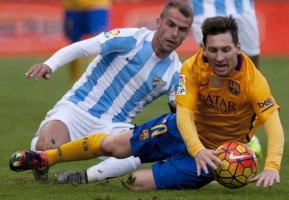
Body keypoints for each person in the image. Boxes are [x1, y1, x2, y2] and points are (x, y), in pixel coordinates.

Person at [10, 15, 284, 190]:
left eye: (226, 50)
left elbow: (273, 124)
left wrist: (272, 166)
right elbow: (183, 114)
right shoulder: (189, 68)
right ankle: (43, 157)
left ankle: (83, 177)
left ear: (238, 48)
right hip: (180, 131)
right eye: (213, 50)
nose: (220, 57)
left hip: (213, 153)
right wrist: (49, 63)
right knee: (112, 145)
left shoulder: (253, 81)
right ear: (203, 49)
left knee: (135, 182)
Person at [24, 0, 194, 184]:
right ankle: (38, 149)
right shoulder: (129, 38)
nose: (174, 33)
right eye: (170, 25)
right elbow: (80, 47)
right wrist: (49, 64)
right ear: (158, 22)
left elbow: (179, 114)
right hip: (77, 109)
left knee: (137, 152)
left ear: (187, 34)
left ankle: (81, 178)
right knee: (47, 145)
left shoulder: (179, 74)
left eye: (182, 29)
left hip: (114, 125)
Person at [189, 0, 263, 157]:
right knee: (214, 62)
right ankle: (211, 137)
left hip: (242, 5)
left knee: (251, 67)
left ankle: (246, 134)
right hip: (205, 5)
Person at [63, 0, 111, 83]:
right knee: (74, 44)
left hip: (97, 5)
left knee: (99, 43)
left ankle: (96, 81)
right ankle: (75, 84)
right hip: (73, 7)